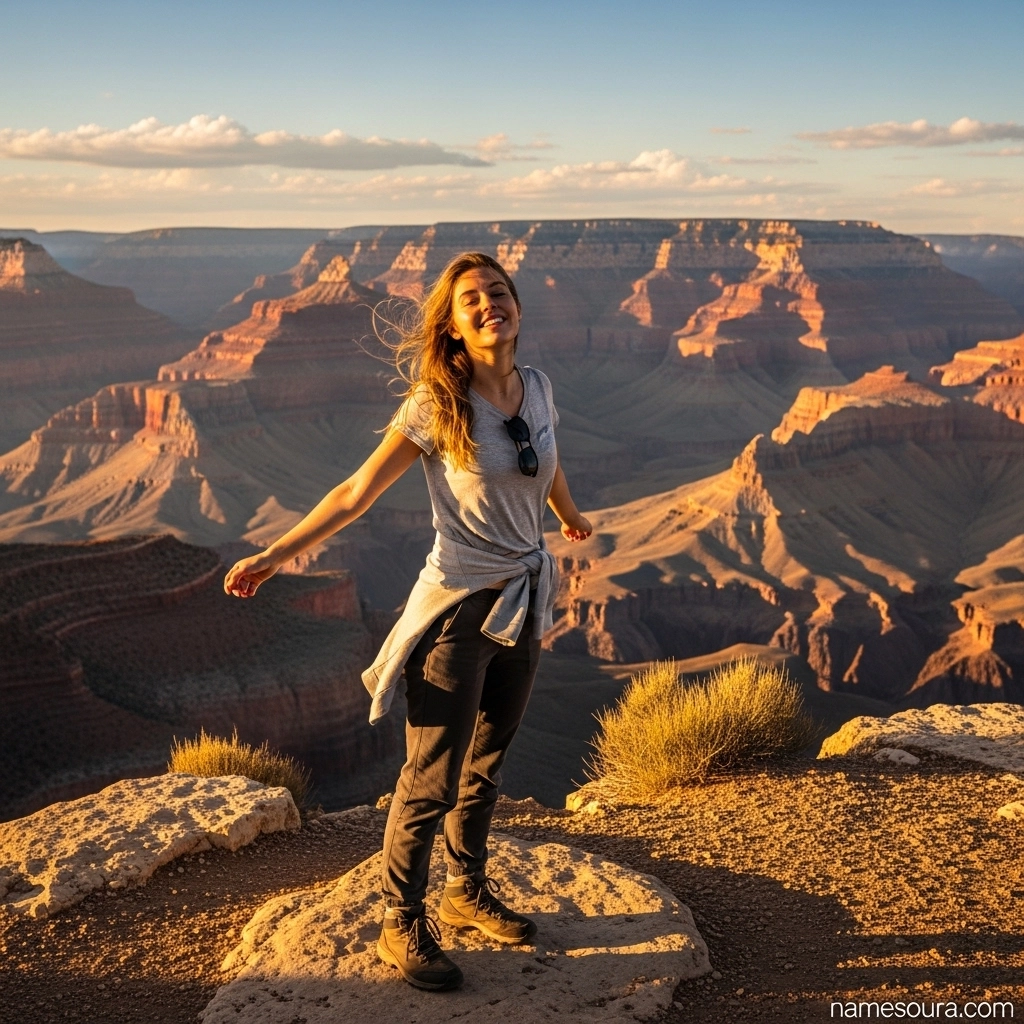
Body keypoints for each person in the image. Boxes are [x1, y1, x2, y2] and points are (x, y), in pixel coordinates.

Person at [223, 251, 592, 992]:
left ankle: (465, 890)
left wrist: (570, 516)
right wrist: (276, 552)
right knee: (431, 778)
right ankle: (400, 922)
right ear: (452, 327)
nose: (490, 304)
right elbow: (356, 491)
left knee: (487, 765)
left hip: (524, 601)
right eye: (471, 300)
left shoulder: (539, 387)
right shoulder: (437, 403)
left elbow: (545, 462)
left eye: (498, 291)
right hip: (458, 613)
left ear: (516, 305)